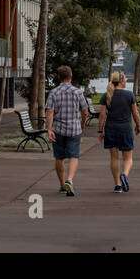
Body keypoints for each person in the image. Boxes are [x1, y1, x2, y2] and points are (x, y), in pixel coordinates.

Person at [44, 65, 87, 196]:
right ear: (71, 77)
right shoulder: (78, 92)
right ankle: (70, 180)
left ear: (59, 77)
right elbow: (85, 111)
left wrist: (49, 129)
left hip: (58, 129)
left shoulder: (54, 92)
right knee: (74, 156)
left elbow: (49, 112)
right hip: (74, 129)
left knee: (59, 157)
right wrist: (82, 123)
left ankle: (63, 185)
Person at [97, 70, 140, 192]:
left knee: (114, 158)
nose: (126, 80)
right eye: (125, 79)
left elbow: (102, 115)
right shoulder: (130, 95)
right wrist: (138, 126)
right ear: (121, 81)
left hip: (111, 129)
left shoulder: (106, 95)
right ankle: (125, 174)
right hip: (125, 129)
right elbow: (135, 113)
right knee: (128, 158)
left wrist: (100, 131)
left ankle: (117, 185)